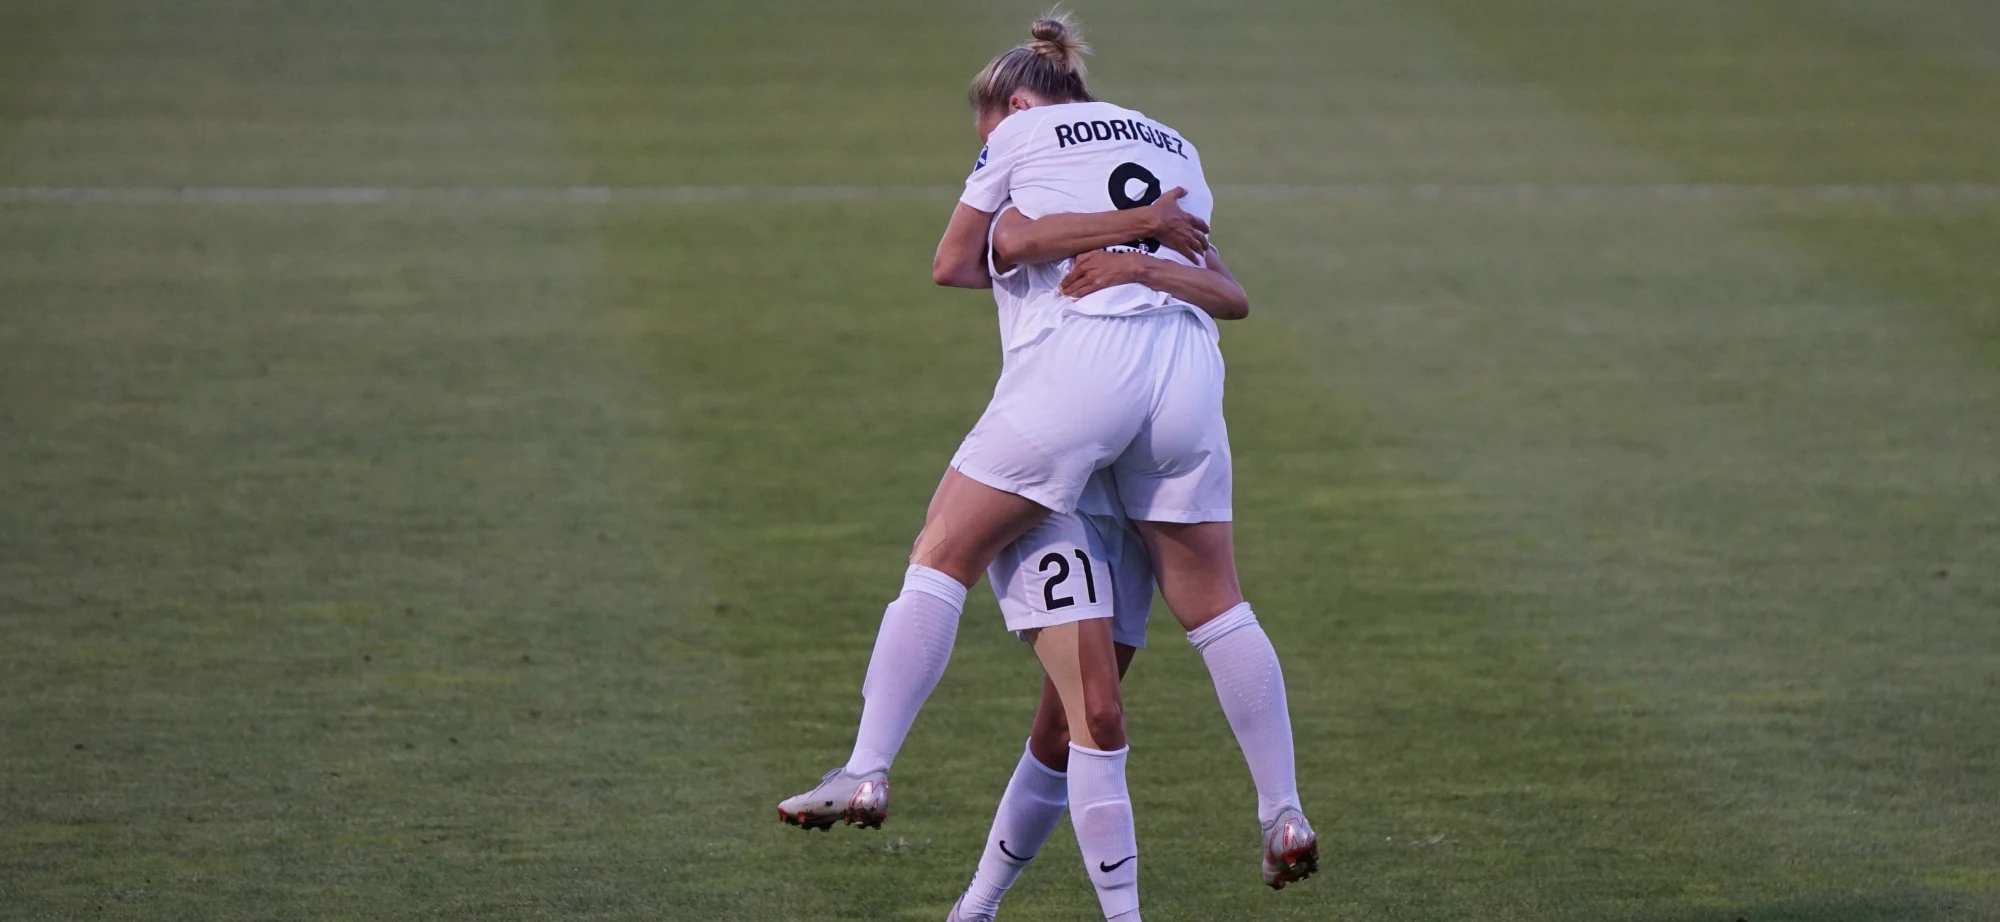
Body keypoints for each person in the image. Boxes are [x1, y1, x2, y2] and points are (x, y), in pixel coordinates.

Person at [778, 12, 1318, 913]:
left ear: (1018, 105)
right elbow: (1230, 293)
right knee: (1207, 613)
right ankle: (1283, 811)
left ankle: (867, 766)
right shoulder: (1173, 145)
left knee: (942, 552)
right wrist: (1143, 251)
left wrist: (1103, 242)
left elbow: (958, 260)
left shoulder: (1022, 134)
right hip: (1185, 381)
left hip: (1079, 380)